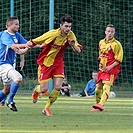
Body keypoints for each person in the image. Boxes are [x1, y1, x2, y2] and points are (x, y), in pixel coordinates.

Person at [31, 15, 82, 116]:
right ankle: (36, 91)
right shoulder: (52, 34)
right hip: (45, 63)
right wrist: (24, 49)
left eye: (70, 26)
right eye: (66, 26)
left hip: (58, 63)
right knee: (44, 90)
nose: (68, 29)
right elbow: (35, 41)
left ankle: (46, 108)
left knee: (58, 87)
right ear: (61, 25)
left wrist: (73, 45)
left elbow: (79, 50)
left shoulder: (71, 35)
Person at [0, 16, 33, 111]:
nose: (18, 26)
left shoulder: (17, 35)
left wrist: (42, 45)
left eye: (18, 24)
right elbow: (14, 46)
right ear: (9, 25)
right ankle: (10, 101)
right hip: (3, 64)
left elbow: (24, 46)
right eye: (16, 24)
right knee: (18, 78)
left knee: (6, 90)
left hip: (10, 65)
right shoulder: (5, 35)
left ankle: (7, 100)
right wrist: (26, 46)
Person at [91, 24, 123, 112]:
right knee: (98, 89)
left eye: (112, 32)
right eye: (108, 31)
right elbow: (101, 55)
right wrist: (100, 63)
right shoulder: (101, 42)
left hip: (111, 70)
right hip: (102, 70)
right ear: (105, 32)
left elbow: (119, 60)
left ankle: (101, 105)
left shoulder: (116, 44)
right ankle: (98, 105)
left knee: (106, 86)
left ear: (114, 33)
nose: (110, 33)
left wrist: (109, 67)